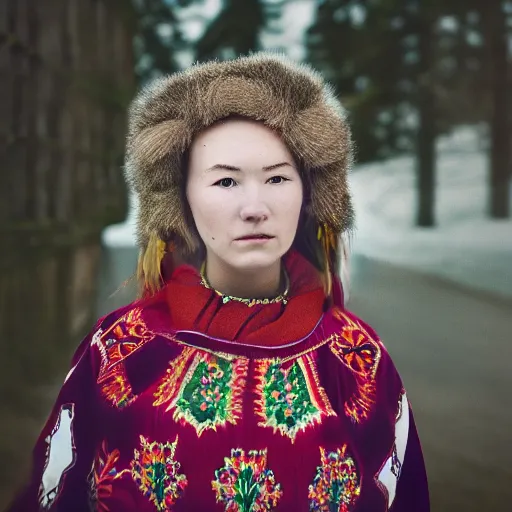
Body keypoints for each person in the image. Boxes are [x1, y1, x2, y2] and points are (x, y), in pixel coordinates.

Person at [7, 53, 429, 512]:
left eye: (277, 178)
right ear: (180, 198)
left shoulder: (357, 361)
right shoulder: (120, 352)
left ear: (307, 193)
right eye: (226, 182)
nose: (255, 207)